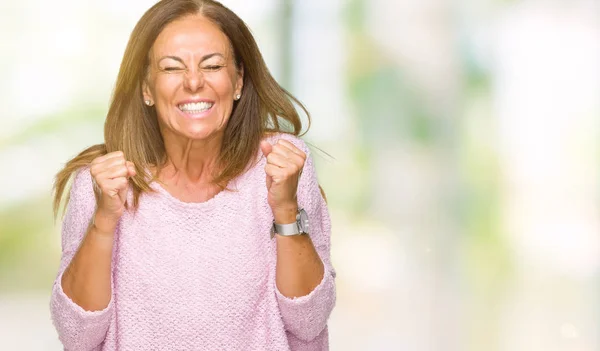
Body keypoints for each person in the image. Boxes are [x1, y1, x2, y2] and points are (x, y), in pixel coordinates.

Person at [49, 0, 336, 350]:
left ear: (238, 80)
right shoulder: (100, 185)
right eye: (172, 68)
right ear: (146, 87)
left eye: (212, 65)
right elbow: (78, 336)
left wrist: (286, 210)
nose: (194, 82)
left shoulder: (283, 164)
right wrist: (104, 222)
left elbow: (308, 323)